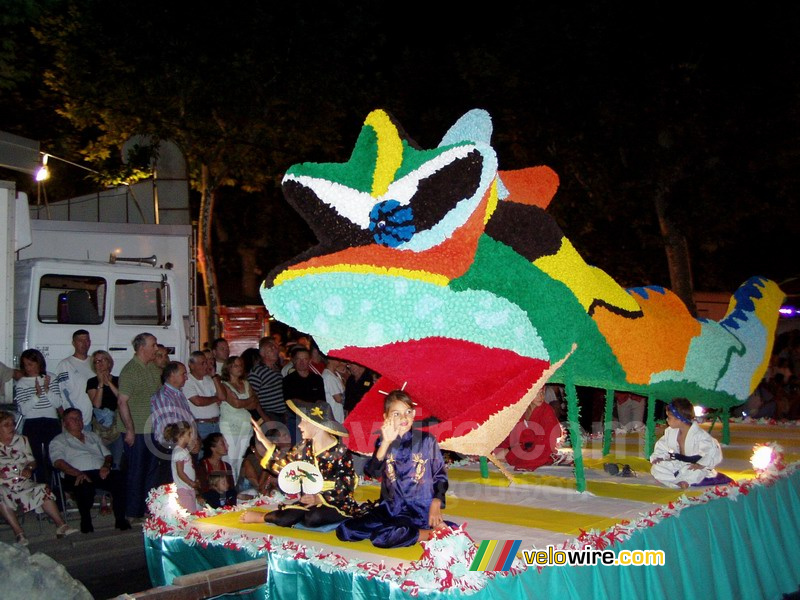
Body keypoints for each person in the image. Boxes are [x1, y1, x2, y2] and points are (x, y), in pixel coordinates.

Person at [336, 390, 453, 547]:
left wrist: (436, 502)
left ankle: (429, 534)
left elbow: (440, 476)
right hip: (390, 508)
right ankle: (403, 531)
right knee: (345, 530)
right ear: (386, 418)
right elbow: (372, 471)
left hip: (417, 510)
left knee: (382, 538)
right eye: (396, 414)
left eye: (407, 412)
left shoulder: (427, 441)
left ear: (414, 414)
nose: (403, 418)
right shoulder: (383, 441)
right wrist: (385, 443)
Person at [239, 400, 360, 529]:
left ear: (316, 424)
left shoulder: (339, 451)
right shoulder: (304, 447)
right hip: (309, 499)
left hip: (336, 501)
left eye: (304, 421)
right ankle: (263, 517)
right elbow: (286, 465)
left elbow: (347, 483)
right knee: (287, 517)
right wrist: (264, 440)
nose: (300, 426)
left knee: (313, 518)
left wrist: (319, 499)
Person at [0, 410, 78, 545]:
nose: (12, 427)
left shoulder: (22, 440)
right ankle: (19, 534)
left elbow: (32, 461)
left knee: (42, 488)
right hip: (3, 484)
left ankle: (61, 526)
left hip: (21, 480)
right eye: (6, 425)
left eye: (12, 424)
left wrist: (29, 468)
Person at [49, 408, 130, 533]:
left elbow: (107, 455)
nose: (77, 421)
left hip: (98, 471)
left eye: (79, 418)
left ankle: (120, 519)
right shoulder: (59, 440)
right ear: (64, 423)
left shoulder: (92, 436)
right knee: (83, 484)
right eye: (73, 419)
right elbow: (58, 462)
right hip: (74, 473)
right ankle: (86, 522)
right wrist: (77, 473)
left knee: (119, 477)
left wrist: (106, 466)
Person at [116, 332, 163, 519]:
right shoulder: (130, 371)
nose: (156, 348)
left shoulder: (152, 368)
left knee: (152, 471)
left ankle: (149, 508)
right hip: (137, 430)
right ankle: (133, 511)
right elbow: (122, 401)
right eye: (153, 345)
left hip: (152, 428)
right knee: (136, 471)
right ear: (142, 347)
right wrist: (129, 430)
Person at [14, 348, 63, 484]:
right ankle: (39, 490)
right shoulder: (22, 383)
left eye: (31, 364)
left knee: (52, 458)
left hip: (51, 422)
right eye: (25, 365)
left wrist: (46, 390)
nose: (28, 368)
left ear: (39, 363)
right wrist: (37, 395)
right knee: (35, 459)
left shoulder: (50, 377)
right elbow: (23, 409)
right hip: (32, 423)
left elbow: (58, 402)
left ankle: (55, 490)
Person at [650, 397, 723, 489]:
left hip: (694, 466)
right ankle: (678, 480)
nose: (667, 420)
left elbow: (712, 450)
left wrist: (701, 464)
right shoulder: (670, 432)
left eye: (669, 417)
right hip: (678, 463)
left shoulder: (699, 435)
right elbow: (662, 446)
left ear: (679, 419)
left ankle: (683, 481)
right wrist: (659, 457)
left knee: (696, 472)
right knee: (656, 468)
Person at [220, 356, 267, 481]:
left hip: (245, 424)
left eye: (241, 365)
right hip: (230, 424)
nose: (239, 368)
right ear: (228, 368)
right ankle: (228, 485)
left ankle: (235, 485)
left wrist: (242, 402)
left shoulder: (246, 384)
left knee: (240, 457)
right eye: (235, 365)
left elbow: (254, 403)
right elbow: (235, 404)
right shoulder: (223, 385)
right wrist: (245, 402)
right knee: (230, 457)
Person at [494, 387, 561, 471]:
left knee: (521, 460)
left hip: (542, 450)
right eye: (536, 394)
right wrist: (505, 448)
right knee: (495, 455)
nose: (540, 397)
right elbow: (513, 435)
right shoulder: (521, 410)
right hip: (523, 447)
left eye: (542, 393)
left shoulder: (547, 411)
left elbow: (549, 442)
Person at [86, 350, 123, 470]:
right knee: (102, 461)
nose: (100, 363)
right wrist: (101, 384)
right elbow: (96, 404)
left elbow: (121, 398)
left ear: (109, 362)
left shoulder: (118, 380)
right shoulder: (91, 382)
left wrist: (110, 383)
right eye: (97, 361)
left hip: (117, 426)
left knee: (117, 461)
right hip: (100, 428)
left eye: (103, 360)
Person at [55, 329, 95, 430]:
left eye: (86, 340)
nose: (84, 343)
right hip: (75, 420)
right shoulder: (65, 364)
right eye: (80, 340)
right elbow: (60, 392)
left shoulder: (94, 362)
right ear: (74, 343)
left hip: (94, 419)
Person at [183, 351, 225, 444]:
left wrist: (214, 376)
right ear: (191, 365)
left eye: (206, 362)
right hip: (201, 426)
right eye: (202, 363)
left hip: (216, 424)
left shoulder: (209, 379)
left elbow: (222, 396)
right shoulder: (187, 381)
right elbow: (198, 401)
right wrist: (215, 398)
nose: (206, 366)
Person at [164, 421, 199, 512]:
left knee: (192, 511)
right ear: (181, 435)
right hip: (183, 488)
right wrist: (190, 482)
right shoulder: (179, 452)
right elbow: (180, 472)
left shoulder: (183, 451)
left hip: (188, 487)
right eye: (189, 433)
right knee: (188, 514)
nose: (191, 436)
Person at [237, 435, 272, 499]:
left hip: (258, 496)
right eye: (261, 445)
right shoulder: (247, 461)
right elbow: (258, 486)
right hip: (244, 497)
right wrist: (267, 466)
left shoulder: (266, 460)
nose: (265, 448)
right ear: (253, 449)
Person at [322, 356, 346, 423]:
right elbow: (338, 398)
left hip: (339, 414)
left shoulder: (336, 374)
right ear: (329, 360)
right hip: (334, 415)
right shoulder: (328, 376)